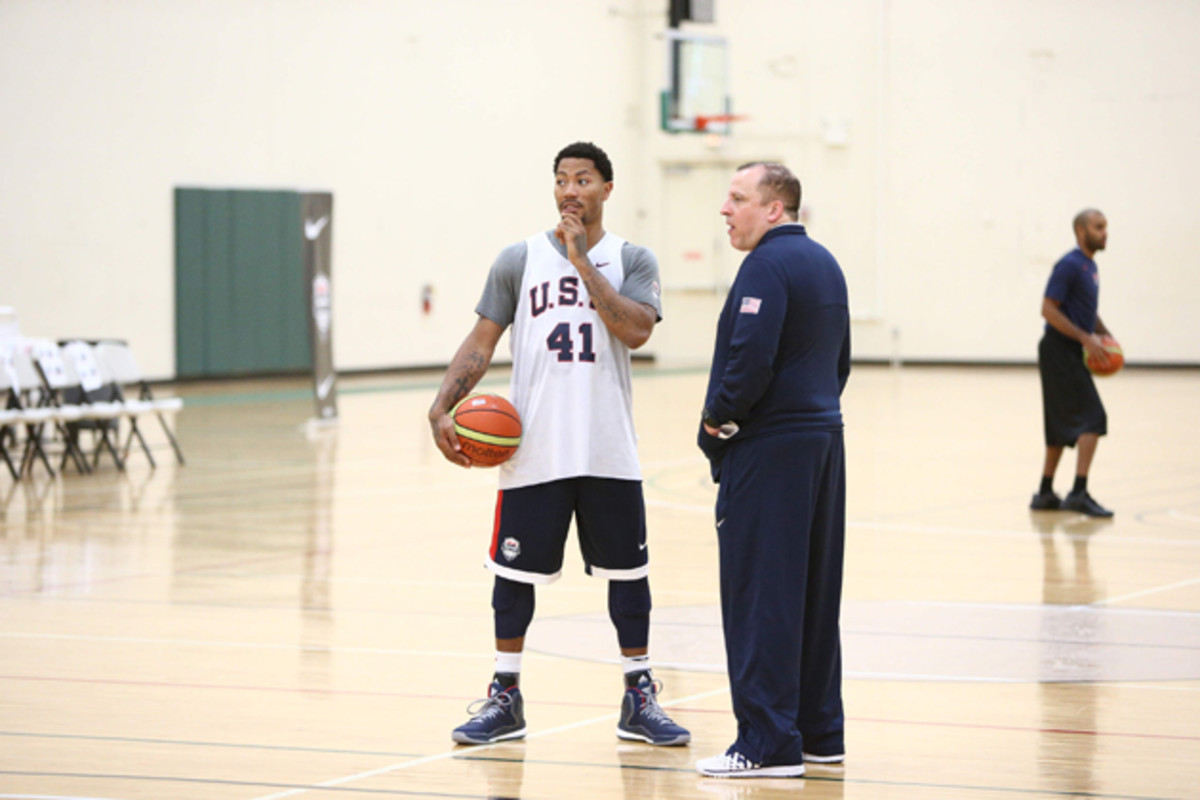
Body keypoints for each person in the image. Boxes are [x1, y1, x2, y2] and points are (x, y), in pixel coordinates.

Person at [428, 141, 689, 747]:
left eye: (584, 180)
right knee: (512, 574)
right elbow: (481, 340)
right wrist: (442, 405)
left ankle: (638, 695)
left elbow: (636, 331)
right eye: (562, 180)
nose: (571, 190)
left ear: (607, 190)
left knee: (630, 573)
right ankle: (505, 696)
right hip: (535, 449)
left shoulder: (633, 258)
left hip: (607, 448)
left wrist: (580, 261)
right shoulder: (517, 259)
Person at [694, 162, 850, 778]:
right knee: (811, 593)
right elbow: (840, 363)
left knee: (762, 594)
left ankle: (764, 742)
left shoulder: (764, 265)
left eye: (738, 198)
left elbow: (748, 360)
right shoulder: (826, 263)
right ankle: (819, 733)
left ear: (774, 209)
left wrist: (718, 421)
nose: (726, 210)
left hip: (771, 448)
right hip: (822, 441)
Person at [1030, 209, 1115, 518]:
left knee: (1058, 423)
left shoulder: (1089, 266)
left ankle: (1045, 491)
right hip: (1059, 349)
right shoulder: (1069, 265)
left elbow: (1085, 310)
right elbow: (1048, 309)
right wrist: (1085, 339)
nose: (1105, 232)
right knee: (1093, 418)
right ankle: (1078, 492)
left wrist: (1104, 335)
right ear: (1081, 231)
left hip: (1068, 349)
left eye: (1106, 227)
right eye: (1099, 227)